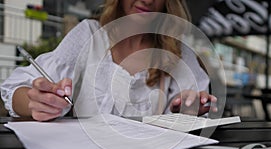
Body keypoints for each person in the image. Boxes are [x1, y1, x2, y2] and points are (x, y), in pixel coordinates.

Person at [1, 0, 217, 122]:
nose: (147, 0)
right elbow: (16, 90)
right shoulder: (88, 35)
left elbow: (196, 109)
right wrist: (35, 102)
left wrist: (188, 112)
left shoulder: (179, 52)